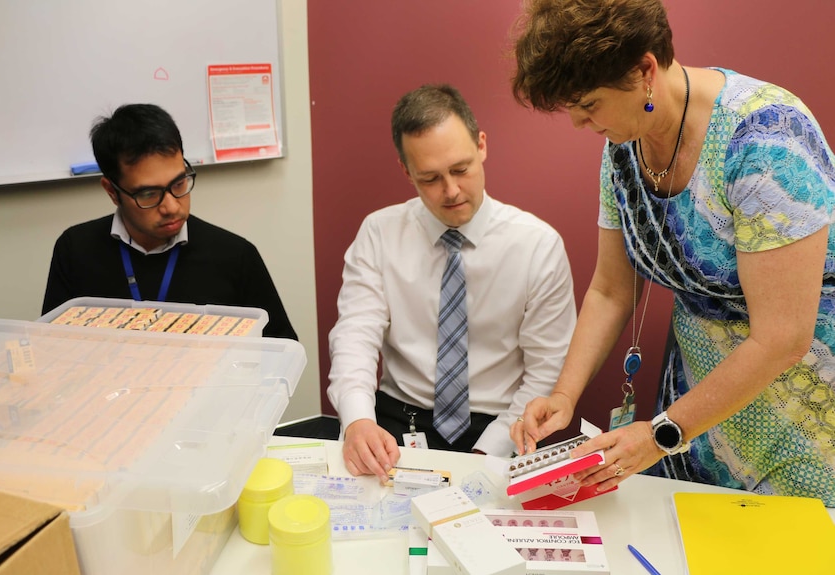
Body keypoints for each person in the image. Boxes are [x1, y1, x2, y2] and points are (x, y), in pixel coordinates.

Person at [509, 0, 835, 506]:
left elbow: (783, 338)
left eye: (589, 104)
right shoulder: (624, 144)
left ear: (645, 70)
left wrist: (662, 432)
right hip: (695, 410)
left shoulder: (767, 139)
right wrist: (564, 394)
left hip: (801, 415)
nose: (578, 123)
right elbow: (612, 289)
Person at [327, 84, 577, 479]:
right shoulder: (379, 233)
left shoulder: (537, 246)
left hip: (503, 425)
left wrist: (489, 452)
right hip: (396, 423)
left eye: (461, 169)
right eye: (429, 178)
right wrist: (358, 419)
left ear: (481, 146)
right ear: (405, 171)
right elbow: (355, 336)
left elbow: (548, 368)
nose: (451, 191)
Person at [42, 103, 297, 340]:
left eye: (179, 183)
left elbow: (281, 350)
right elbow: (52, 350)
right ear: (111, 192)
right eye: (149, 194)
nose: (172, 206)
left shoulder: (235, 256)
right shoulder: (75, 251)